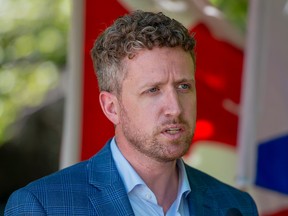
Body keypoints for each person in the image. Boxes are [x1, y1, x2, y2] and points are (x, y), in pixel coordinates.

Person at [5, 10, 258, 216]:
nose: (175, 108)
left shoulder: (235, 206)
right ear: (111, 107)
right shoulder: (42, 206)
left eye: (183, 87)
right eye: (153, 90)